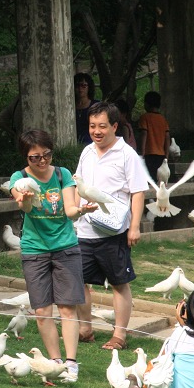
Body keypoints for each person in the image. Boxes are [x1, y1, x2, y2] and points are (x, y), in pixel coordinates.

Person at [9, 129, 91, 383]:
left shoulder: (62, 174)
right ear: (26, 157)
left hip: (66, 247)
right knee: (43, 310)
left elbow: (68, 211)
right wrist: (25, 200)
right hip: (35, 249)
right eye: (35, 157)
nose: (42, 161)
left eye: (46, 154)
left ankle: (71, 362)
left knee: (68, 307)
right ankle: (55, 361)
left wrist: (81, 210)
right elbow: (23, 207)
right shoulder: (19, 177)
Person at [75, 102, 147, 350]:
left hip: (114, 232)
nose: (96, 131)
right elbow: (78, 185)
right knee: (79, 280)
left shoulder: (127, 155)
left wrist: (134, 226)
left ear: (115, 126)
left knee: (119, 283)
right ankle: (85, 329)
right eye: (92, 126)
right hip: (84, 230)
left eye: (102, 126)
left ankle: (119, 336)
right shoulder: (87, 152)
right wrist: (74, 214)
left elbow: (137, 192)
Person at [139, 91, 170, 181]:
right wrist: (166, 155)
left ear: (147, 104)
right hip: (161, 155)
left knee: (148, 181)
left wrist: (142, 153)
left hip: (149, 154)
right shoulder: (163, 119)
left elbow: (144, 134)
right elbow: (167, 137)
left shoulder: (144, 118)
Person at [75, 73, 99, 145]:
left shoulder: (96, 106)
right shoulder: (69, 107)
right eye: (77, 85)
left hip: (92, 144)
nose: (80, 89)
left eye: (84, 86)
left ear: (89, 87)